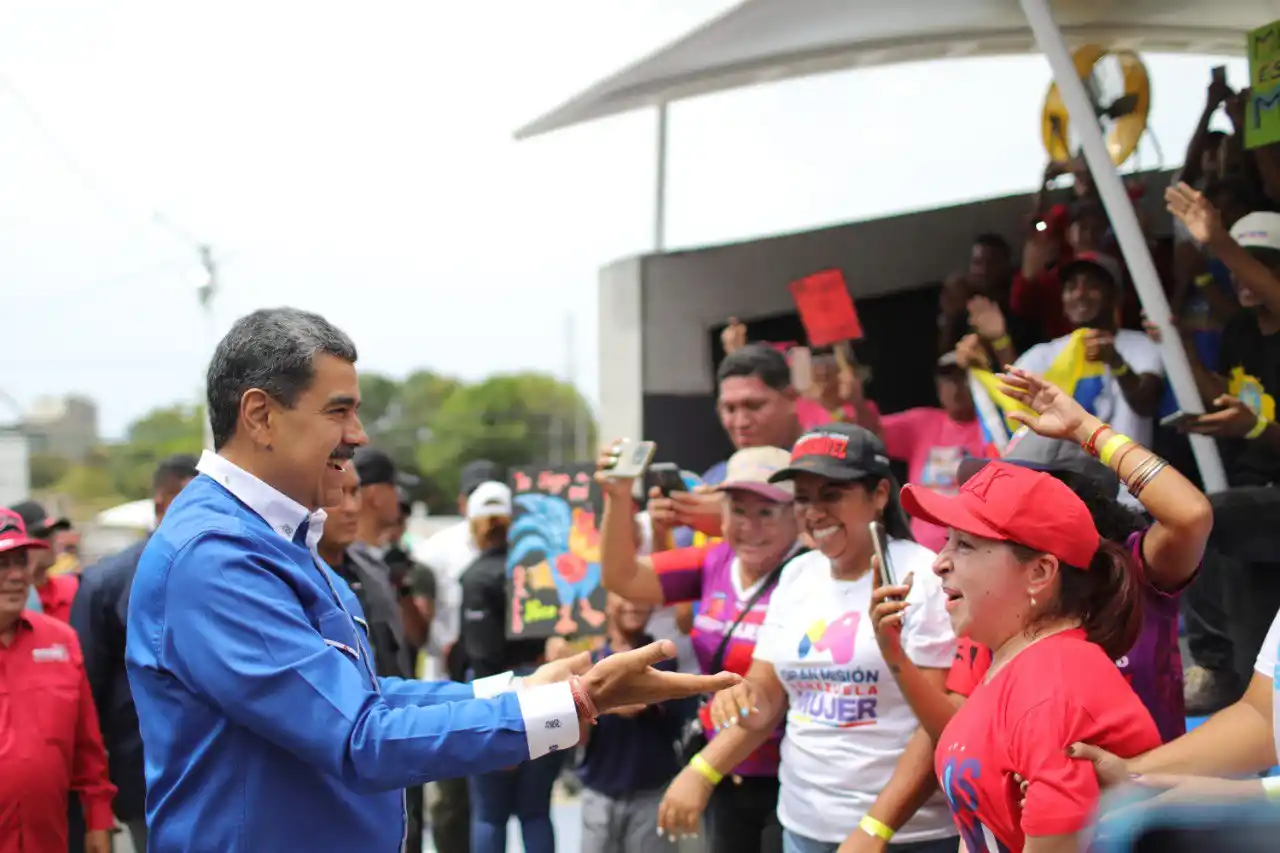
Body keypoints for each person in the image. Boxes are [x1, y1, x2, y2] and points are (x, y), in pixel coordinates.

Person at [125, 307, 738, 853]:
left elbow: (364, 699)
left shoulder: (272, 537)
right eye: (339, 411)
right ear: (259, 415)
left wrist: (522, 692)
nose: (359, 437)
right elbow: (359, 736)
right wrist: (575, 703)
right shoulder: (216, 556)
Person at [661, 424, 958, 853]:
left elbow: (936, 727)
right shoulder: (798, 574)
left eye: (831, 495)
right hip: (803, 828)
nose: (814, 512)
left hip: (907, 837)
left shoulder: (925, 579)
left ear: (878, 495)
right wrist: (705, 766)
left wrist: (876, 828)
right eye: (802, 498)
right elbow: (766, 699)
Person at [900, 460, 1160, 853]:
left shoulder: (1055, 691)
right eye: (946, 541)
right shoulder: (1013, 662)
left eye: (965, 544)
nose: (939, 563)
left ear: (1039, 572)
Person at [602, 445, 803, 853]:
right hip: (723, 779)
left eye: (767, 512)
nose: (751, 527)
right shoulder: (715, 560)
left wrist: (702, 771)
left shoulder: (809, 574)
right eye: (738, 510)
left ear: (798, 513)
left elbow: (768, 695)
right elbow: (622, 577)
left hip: (790, 782)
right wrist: (618, 497)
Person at [1163, 186, 1280, 714]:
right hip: (1257, 494)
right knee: (1226, 543)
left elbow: (1257, 423)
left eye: (1260, 264)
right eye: (1238, 263)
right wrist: (1180, 346)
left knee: (1213, 516)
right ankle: (1244, 680)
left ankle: (1226, 670)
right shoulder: (1240, 330)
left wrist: (1220, 242)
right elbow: (1227, 396)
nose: (1243, 274)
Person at [70, 455, 198, 853]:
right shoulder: (105, 583)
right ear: (162, 504)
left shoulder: (224, 573)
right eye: (190, 501)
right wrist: (96, 796)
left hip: (217, 771)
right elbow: (85, 693)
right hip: (143, 775)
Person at [0, 507, 117, 853]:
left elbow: (88, 746)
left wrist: (98, 821)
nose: (17, 575)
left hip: (50, 838)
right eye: (2, 564)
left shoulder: (61, 641)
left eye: (21, 562)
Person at [456, 480, 562, 853]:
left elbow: (482, 656)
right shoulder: (538, 568)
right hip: (547, 686)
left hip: (499, 692)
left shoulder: (477, 576)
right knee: (536, 811)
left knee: (489, 814)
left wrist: (497, 726)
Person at [411, 458, 502, 853]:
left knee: (503, 806)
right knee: (451, 802)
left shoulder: (525, 546)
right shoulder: (436, 550)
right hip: (448, 688)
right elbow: (419, 618)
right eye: (478, 496)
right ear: (463, 502)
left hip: (505, 683)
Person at [578, 592, 687, 853]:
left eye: (639, 594)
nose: (634, 603)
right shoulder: (589, 659)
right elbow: (580, 735)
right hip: (598, 789)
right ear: (607, 603)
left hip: (652, 790)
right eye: (624, 593)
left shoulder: (664, 657)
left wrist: (594, 700)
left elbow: (641, 706)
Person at [10, 500, 77, 623]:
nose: (51, 539)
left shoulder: (73, 589)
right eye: (42, 534)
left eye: (53, 532)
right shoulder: (7, 599)